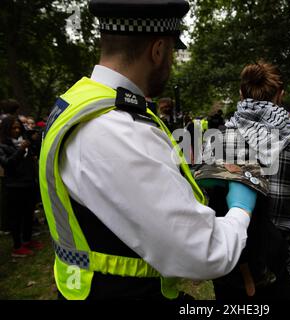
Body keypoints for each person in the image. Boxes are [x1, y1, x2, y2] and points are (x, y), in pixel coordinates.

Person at [39, 0, 258, 300]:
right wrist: (241, 210)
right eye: (171, 52)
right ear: (157, 51)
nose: (171, 62)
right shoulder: (116, 128)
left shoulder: (80, 100)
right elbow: (206, 253)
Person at [206, 61, 290, 300]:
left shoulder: (216, 141)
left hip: (235, 262)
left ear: (241, 94)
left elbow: (207, 197)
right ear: (280, 96)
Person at [0, 115, 42, 257]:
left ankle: (27, 240)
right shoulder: (3, 145)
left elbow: (35, 154)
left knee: (29, 213)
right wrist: (20, 150)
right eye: (13, 128)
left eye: (18, 127)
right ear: (6, 130)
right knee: (16, 217)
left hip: (29, 182)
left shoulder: (25, 141)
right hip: (14, 186)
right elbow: (8, 164)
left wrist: (34, 141)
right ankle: (17, 247)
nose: (17, 130)